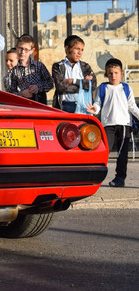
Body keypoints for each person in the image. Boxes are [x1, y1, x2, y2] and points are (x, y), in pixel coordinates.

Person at [86, 58, 139, 188]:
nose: (113, 76)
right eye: (110, 73)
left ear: (121, 73)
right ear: (106, 74)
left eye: (116, 73)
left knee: (122, 154)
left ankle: (120, 178)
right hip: (108, 124)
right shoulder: (103, 88)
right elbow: (98, 103)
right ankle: (96, 177)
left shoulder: (126, 88)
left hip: (124, 125)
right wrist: (95, 109)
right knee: (104, 151)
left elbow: (132, 107)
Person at [51, 35, 96, 112]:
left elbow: (92, 86)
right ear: (67, 48)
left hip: (83, 106)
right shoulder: (58, 66)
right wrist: (83, 84)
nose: (80, 53)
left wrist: (73, 81)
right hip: (64, 106)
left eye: (82, 50)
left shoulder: (85, 67)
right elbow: (61, 87)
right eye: (77, 49)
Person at [6, 34, 54, 104]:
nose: (23, 52)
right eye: (20, 48)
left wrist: (38, 87)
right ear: (16, 48)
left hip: (40, 102)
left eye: (26, 49)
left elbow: (50, 83)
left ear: (32, 51)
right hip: (23, 104)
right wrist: (22, 93)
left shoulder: (39, 66)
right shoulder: (14, 71)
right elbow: (10, 93)